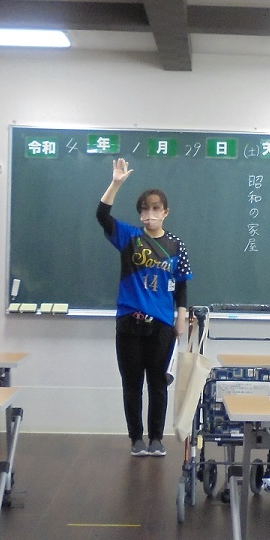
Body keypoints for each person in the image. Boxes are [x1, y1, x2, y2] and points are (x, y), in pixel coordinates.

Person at [98, 157, 192, 457]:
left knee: (158, 383)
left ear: (165, 212)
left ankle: (156, 439)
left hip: (163, 323)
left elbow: (182, 285)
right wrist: (115, 184)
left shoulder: (177, 245)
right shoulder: (130, 237)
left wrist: (181, 317)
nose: (149, 213)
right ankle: (136, 439)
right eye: (144, 209)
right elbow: (102, 215)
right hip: (129, 322)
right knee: (132, 383)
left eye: (155, 208)